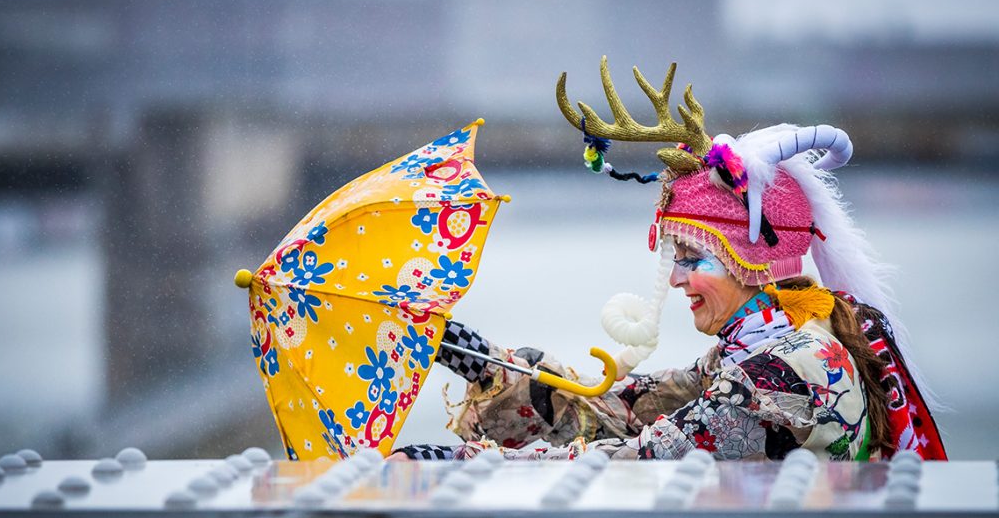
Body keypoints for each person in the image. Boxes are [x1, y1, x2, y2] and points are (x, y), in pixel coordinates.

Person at [392, 59, 946, 462]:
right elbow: (621, 407)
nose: (677, 278)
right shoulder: (778, 341)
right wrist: (460, 348)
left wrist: (454, 465)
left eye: (693, 257)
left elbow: (637, 457)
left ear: (751, 259)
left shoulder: (784, 371)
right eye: (675, 258)